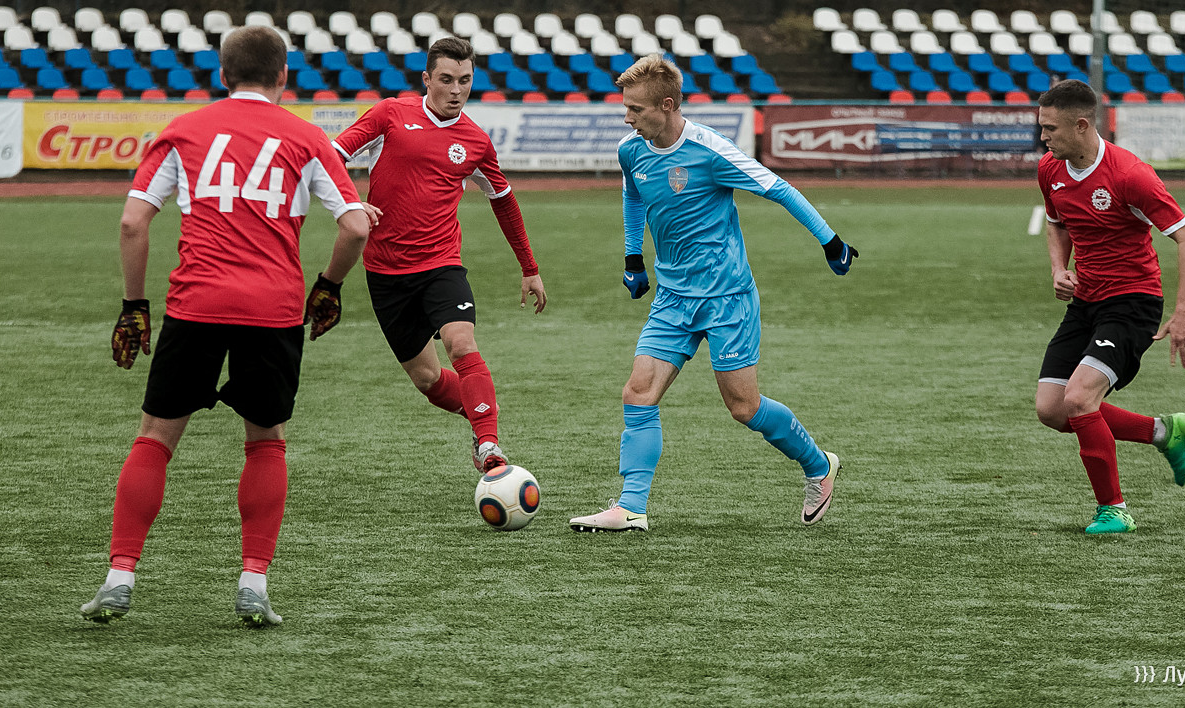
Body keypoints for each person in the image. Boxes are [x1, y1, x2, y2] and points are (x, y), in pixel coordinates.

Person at [80, 25, 377, 626]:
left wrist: (134, 306)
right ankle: (253, 584)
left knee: (155, 438)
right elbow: (355, 227)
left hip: (196, 304)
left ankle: (119, 577)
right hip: (272, 310)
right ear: (283, 75)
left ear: (222, 73)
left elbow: (133, 223)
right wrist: (329, 286)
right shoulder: (306, 137)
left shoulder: (183, 130)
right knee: (265, 441)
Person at [569, 54, 857, 533]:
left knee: (744, 407)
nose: (627, 117)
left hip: (728, 299)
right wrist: (633, 257)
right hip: (672, 299)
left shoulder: (710, 150)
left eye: (635, 109)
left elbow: (778, 188)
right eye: (625, 108)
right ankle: (631, 506)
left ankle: (818, 464)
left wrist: (830, 241)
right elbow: (633, 195)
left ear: (666, 105)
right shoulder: (631, 150)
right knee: (638, 393)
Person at [332, 36, 547, 475]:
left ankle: (488, 444)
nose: (456, 90)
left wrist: (530, 268)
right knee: (427, 380)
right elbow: (331, 155)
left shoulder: (475, 141)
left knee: (461, 343)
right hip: (386, 271)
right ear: (426, 79)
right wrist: (350, 202)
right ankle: (479, 408)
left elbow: (504, 201)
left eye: (465, 81)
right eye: (446, 79)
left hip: (441, 264)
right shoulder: (390, 115)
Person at [1034, 79, 1185, 535]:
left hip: (1132, 302)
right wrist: (1059, 269)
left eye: (1050, 128)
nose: (1043, 137)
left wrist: (1184, 311)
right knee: (1052, 409)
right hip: (1086, 301)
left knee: (1079, 398)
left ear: (1081, 125)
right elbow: (1057, 224)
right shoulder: (1050, 169)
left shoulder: (1130, 175)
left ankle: (1114, 509)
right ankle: (1162, 431)